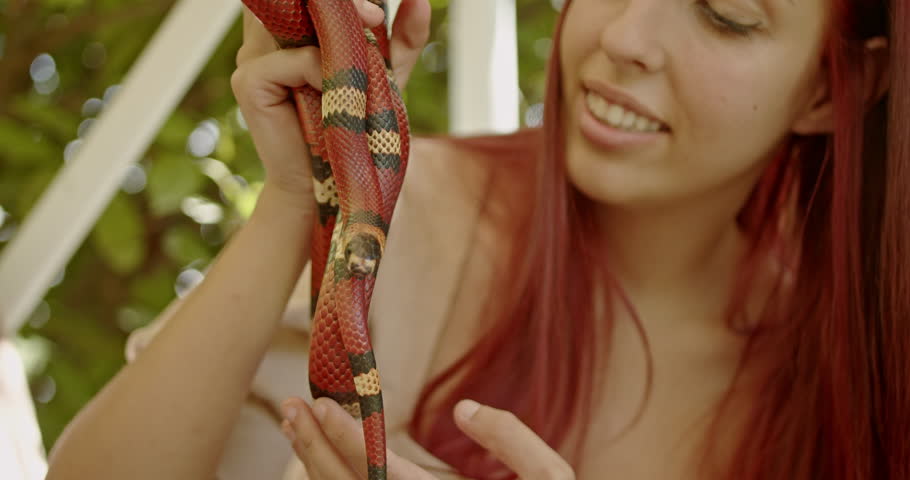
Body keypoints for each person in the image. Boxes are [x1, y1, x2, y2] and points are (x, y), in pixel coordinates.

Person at [46, 0, 908, 478]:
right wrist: (298, 191)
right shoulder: (407, 211)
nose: (622, 37)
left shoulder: (857, 374)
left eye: (723, 14)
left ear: (835, 91)